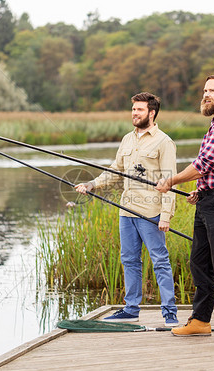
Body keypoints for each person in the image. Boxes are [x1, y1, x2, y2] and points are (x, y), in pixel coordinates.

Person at [155, 74, 214, 340]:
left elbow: (202, 165)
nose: (205, 95)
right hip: (210, 200)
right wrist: (201, 190)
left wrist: (170, 180)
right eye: (204, 90)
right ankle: (200, 321)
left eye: (211, 91)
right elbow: (211, 171)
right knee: (200, 264)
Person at [75, 92, 179, 327]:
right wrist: (93, 184)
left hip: (150, 213)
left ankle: (170, 313)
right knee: (130, 260)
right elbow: (115, 170)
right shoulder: (127, 140)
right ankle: (131, 309)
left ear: (151, 113)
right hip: (126, 210)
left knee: (160, 261)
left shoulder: (164, 142)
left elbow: (168, 181)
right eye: (133, 109)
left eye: (139, 110)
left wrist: (165, 216)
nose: (134, 113)